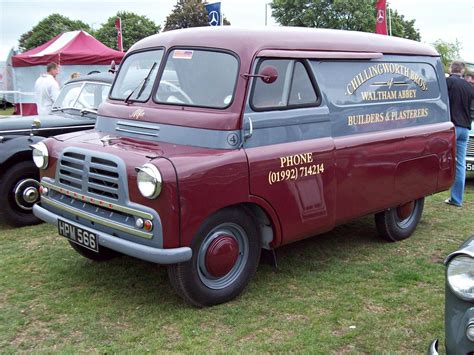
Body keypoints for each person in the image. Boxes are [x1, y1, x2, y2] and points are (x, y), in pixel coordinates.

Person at [445, 61, 474, 207]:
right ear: (462, 71)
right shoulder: (469, 86)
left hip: (452, 127)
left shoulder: (448, 82)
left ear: (451, 69)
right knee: (461, 164)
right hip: (465, 128)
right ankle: (457, 199)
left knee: (443, 159)